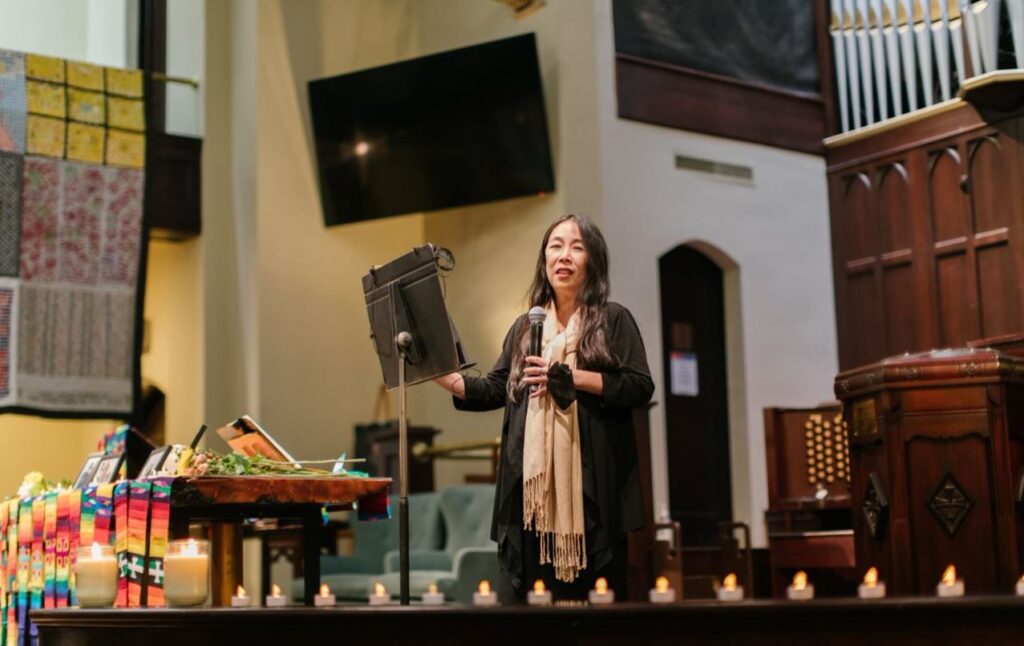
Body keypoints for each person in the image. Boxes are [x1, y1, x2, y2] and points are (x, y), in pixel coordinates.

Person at [434, 213, 654, 602]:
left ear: (594, 260)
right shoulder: (525, 327)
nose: (564, 255)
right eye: (556, 245)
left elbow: (638, 386)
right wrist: (440, 373)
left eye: (576, 246)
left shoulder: (613, 319)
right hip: (530, 498)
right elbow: (495, 388)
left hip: (591, 498)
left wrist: (573, 376)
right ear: (544, 260)